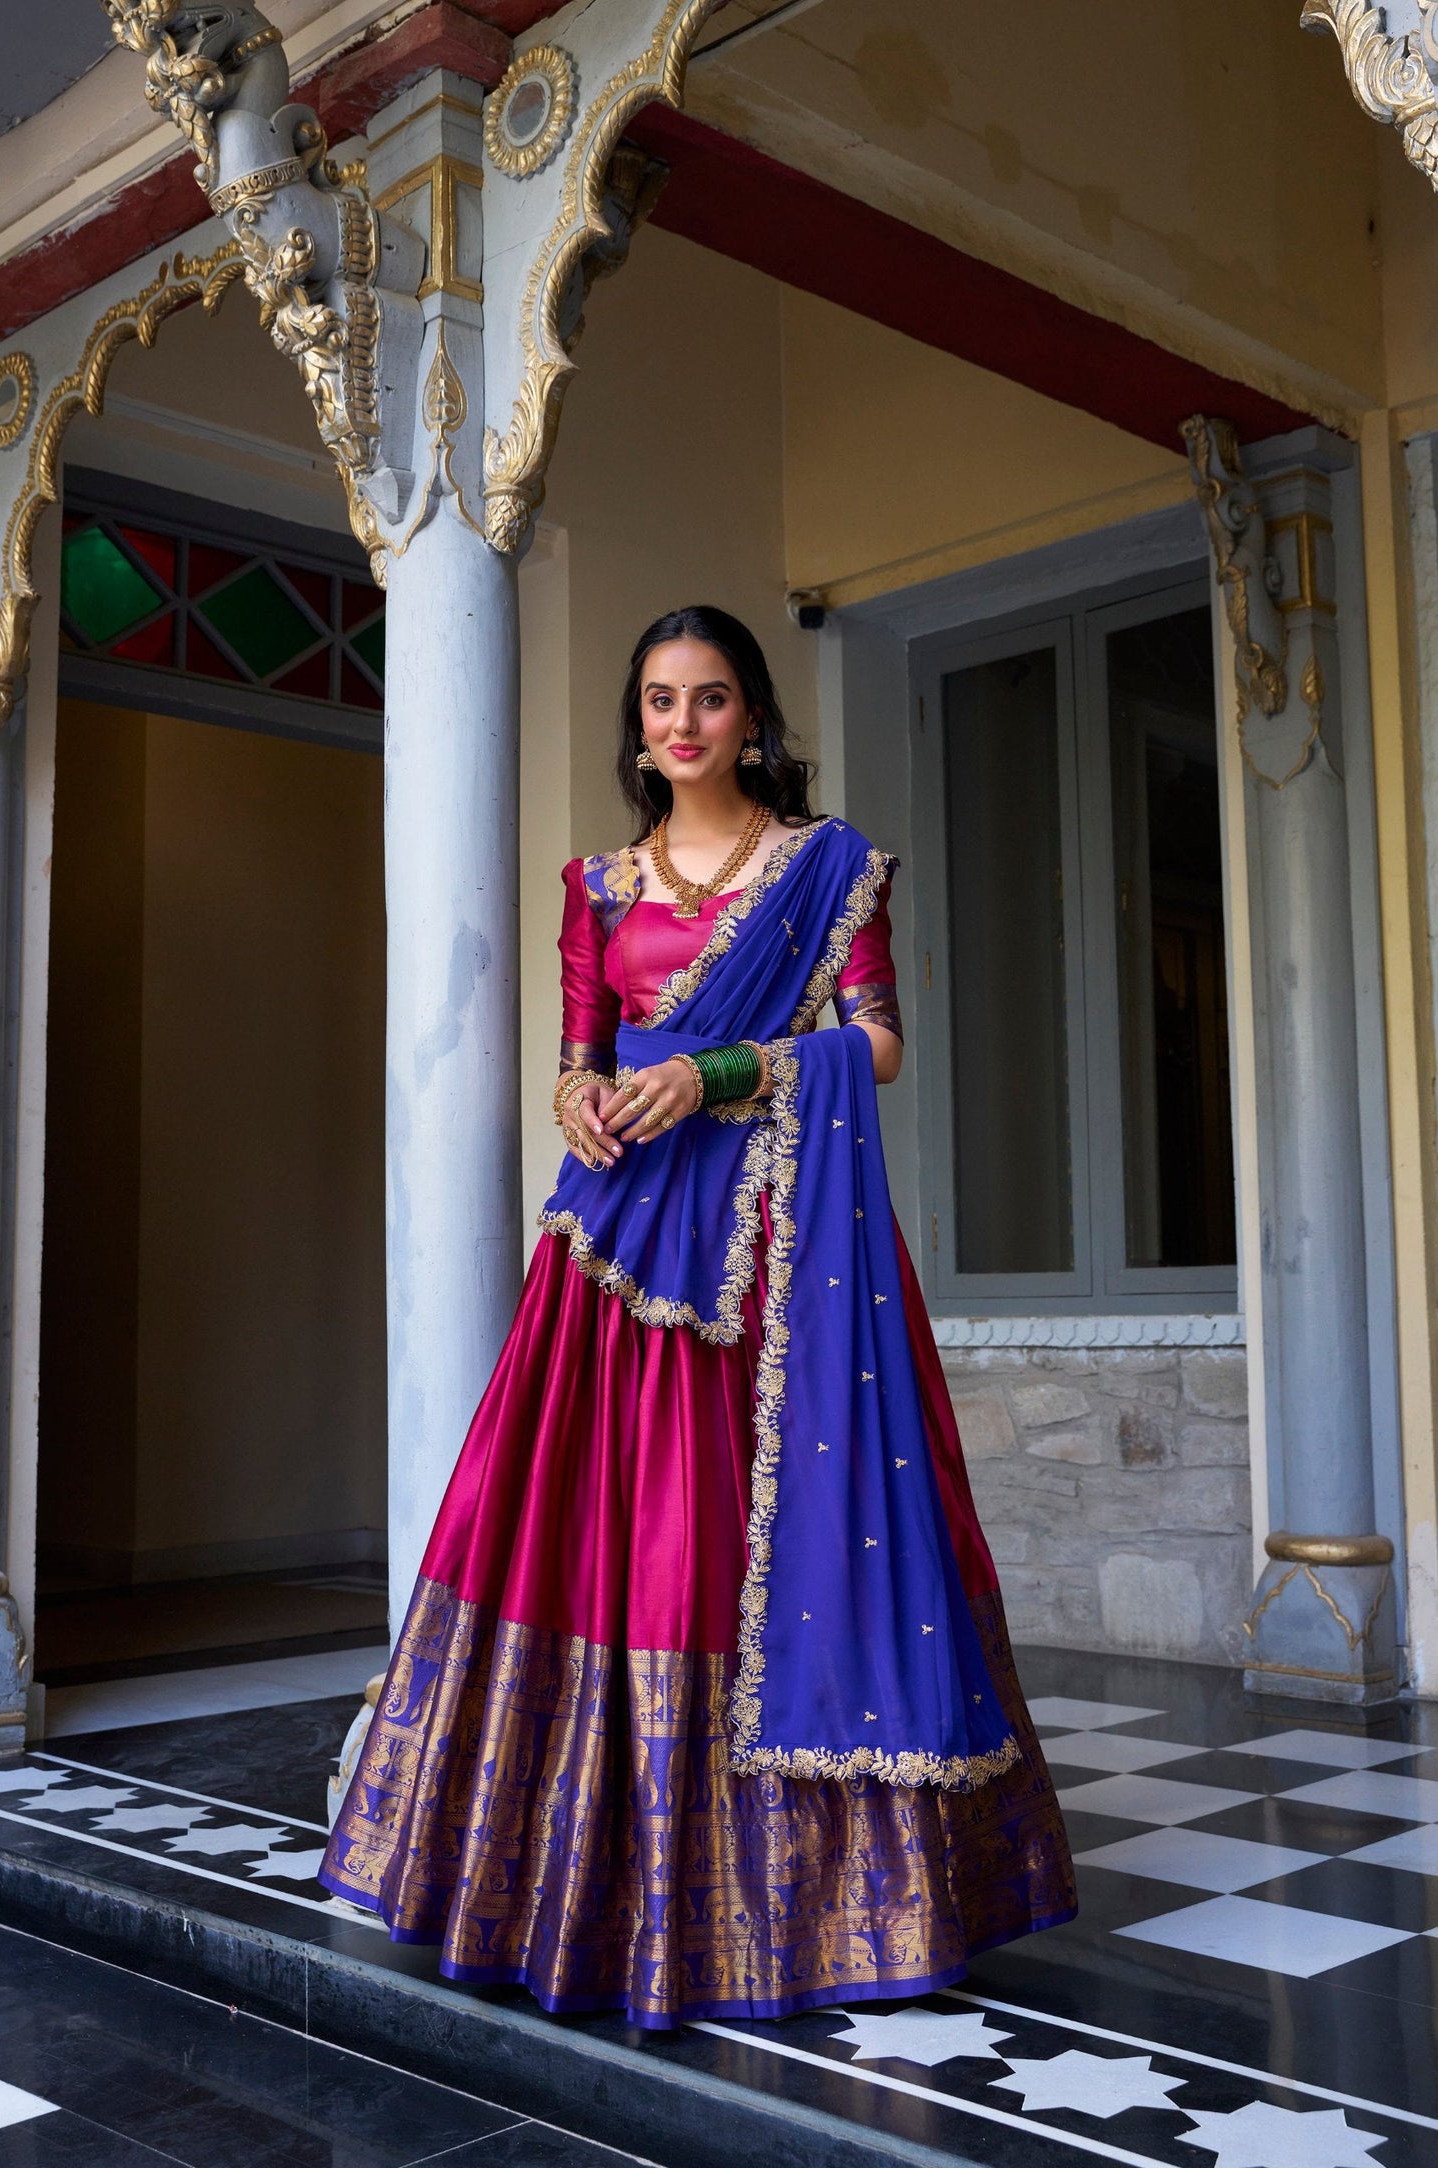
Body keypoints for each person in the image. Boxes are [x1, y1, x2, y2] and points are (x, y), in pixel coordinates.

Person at [320, 604, 1076, 2027]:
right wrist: (574, 1101)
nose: (681, 723)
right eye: (659, 699)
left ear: (751, 717)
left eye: (710, 698)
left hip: (781, 1248)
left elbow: (880, 1043)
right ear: (638, 721)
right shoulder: (597, 885)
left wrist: (725, 1068)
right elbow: (573, 1055)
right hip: (615, 1246)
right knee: (601, 1528)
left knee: (745, 1530)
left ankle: (819, 1892)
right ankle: (577, 1873)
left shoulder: (826, 867)